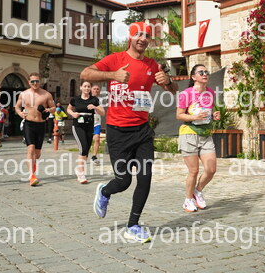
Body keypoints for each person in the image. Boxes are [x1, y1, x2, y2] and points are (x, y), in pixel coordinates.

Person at [81, 21, 177, 243]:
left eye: (146, 35)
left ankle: (133, 226)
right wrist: (112, 75)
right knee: (123, 181)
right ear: (130, 37)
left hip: (142, 131)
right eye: (138, 34)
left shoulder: (152, 65)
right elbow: (85, 73)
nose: (142, 38)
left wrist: (168, 81)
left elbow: (173, 90)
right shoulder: (115, 59)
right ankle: (105, 192)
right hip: (118, 131)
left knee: (145, 178)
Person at [176, 64, 220, 213]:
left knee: (211, 169)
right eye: (201, 72)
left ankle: (198, 191)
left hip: (206, 134)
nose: (205, 74)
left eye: (206, 72)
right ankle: (188, 200)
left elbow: (208, 112)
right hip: (189, 134)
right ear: (194, 77)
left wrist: (214, 115)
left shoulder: (210, 92)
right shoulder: (186, 94)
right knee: (193, 171)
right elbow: (179, 115)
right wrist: (194, 117)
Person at [15, 72, 55, 186]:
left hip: (41, 124)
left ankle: (33, 164)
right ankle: (31, 175)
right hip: (29, 124)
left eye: (37, 81)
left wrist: (48, 110)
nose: (35, 83)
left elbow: (53, 108)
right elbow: (17, 106)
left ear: (40, 81)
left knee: (37, 153)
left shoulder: (46, 94)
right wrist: (20, 113)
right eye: (32, 81)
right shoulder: (23, 94)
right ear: (29, 82)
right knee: (31, 149)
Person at [67, 81, 104, 184]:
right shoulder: (75, 99)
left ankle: (79, 169)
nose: (87, 88)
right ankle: (81, 174)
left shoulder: (94, 100)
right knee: (83, 147)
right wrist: (73, 114)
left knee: (86, 150)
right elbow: (69, 109)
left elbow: (102, 112)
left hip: (89, 125)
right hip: (78, 126)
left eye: (88, 86)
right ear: (81, 88)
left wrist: (95, 107)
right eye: (85, 86)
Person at [90, 84, 103, 165]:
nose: (96, 90)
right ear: (91, 90)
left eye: (97, 89)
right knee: (87, 140)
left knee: (97, 138)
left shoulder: (101, 100)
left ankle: (94, 156)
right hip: (89, 121)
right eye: (94, 89)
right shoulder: (87, 98)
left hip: (97, 121)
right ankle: (84, 154)